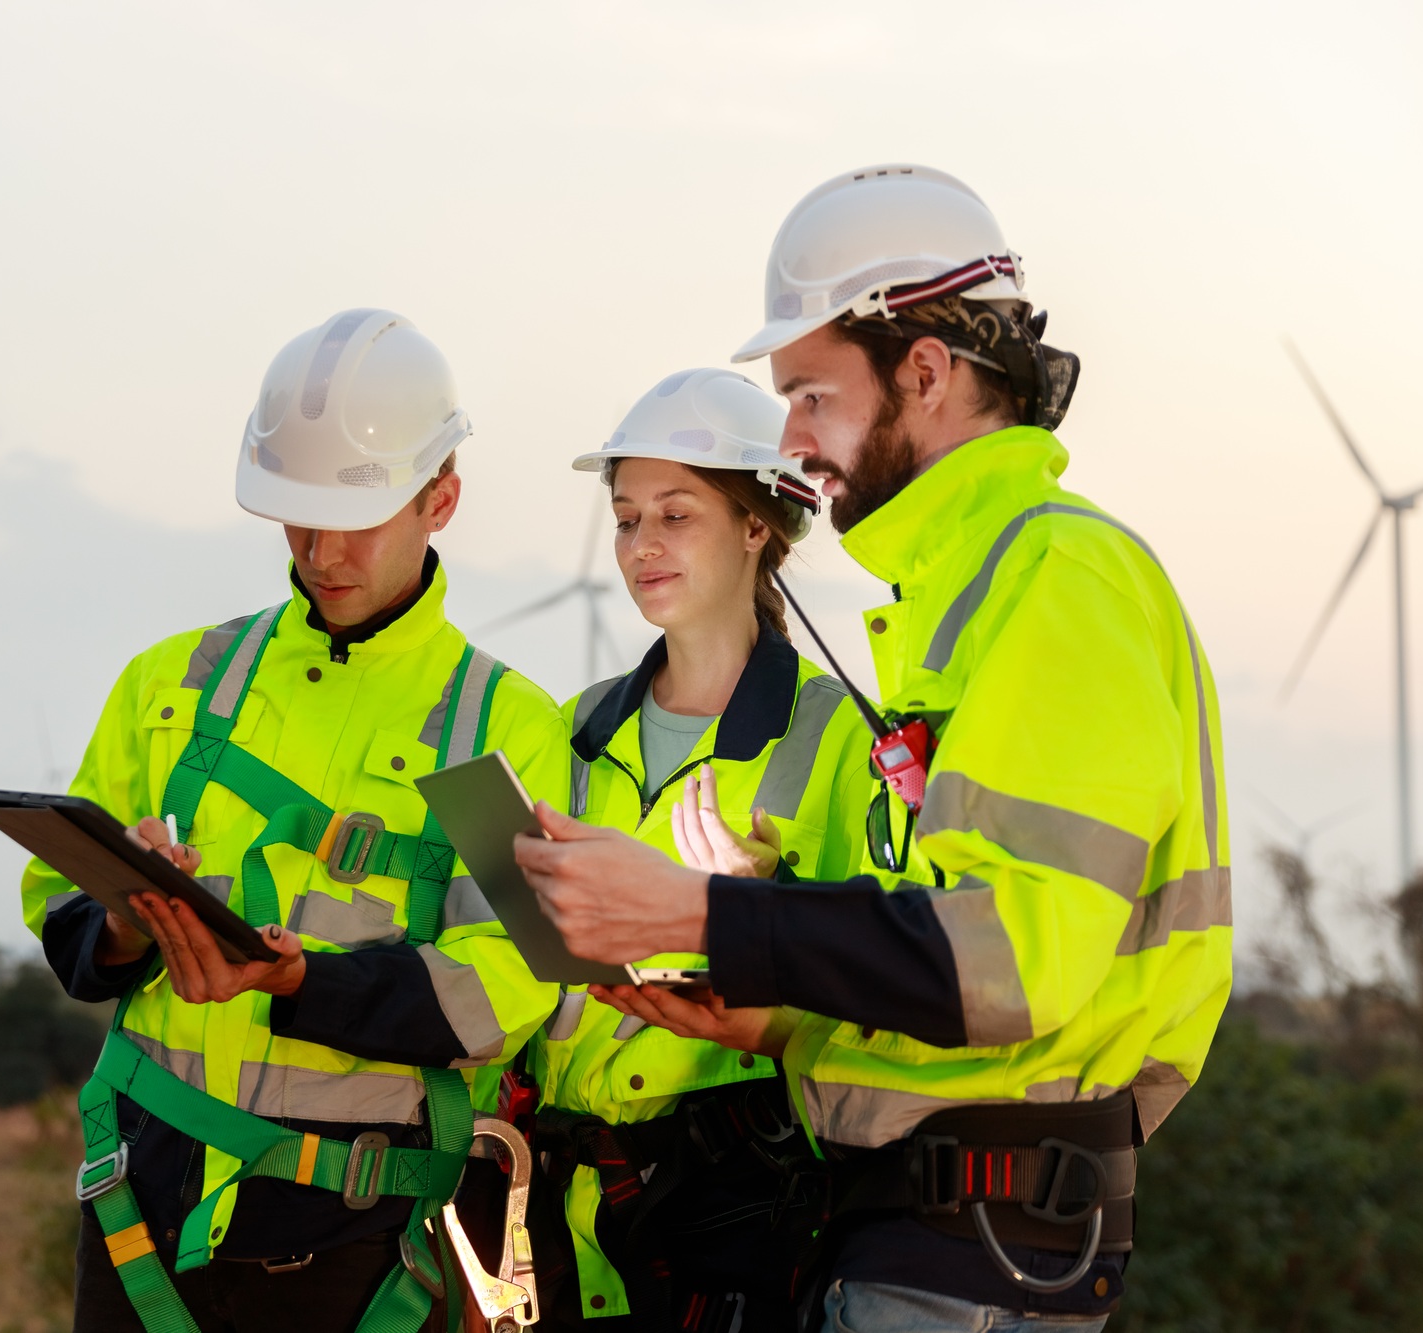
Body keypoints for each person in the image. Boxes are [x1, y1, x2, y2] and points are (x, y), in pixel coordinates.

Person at [516, 165, 1232, 1333]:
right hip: (921, 1239)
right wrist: (779, 1021)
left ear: (926, 371)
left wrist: (697, 912)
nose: (792, 440)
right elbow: (953, 950)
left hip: (969, 1251)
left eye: (809, 395)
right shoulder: (966, 590)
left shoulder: (1055, 579)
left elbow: (1012, 959)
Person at [23, 308, 568, 1333]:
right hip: (139, 1215)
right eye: (296, 516)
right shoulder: (173, 686)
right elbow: (60, 902)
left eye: (353, 518)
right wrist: (124, 924)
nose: (320, 551)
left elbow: (513, 984)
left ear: (441, 499)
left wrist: (305, 983)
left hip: (355, 1246)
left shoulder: (497, 729)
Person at [526, 368, 879, 1331]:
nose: (641, 545)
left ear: (757, 525)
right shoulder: (573, 728)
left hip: (735, 1216)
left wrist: (760, 921)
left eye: (675, 515)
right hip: (555, 1218)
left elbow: (884, 987)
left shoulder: (840, 739)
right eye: (626, 518)